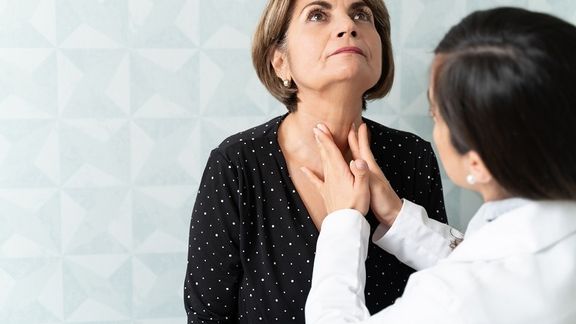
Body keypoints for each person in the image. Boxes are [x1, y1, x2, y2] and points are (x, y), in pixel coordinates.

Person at [304, 6, 576, 324]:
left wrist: (343, 222)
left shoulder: (454, 298)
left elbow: (481, 285)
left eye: (435, 114)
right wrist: (398, 217)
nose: (347, 27)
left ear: (478, 162)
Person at [184, 0, 449, 322]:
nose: (348, 26)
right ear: (281, 62)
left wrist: (396, 215)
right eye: (318, 15)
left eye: (361, 15)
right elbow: (207, 317)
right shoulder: (237, 164)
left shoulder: (412, 156)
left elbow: (448, 295)